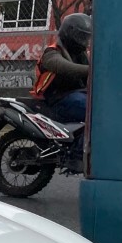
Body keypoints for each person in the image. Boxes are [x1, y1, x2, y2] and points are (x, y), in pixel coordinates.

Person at [31, 13, 91, 171]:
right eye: (80, 36)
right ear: (69, 32)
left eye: (86, 37)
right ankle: (77, 157)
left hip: (75, 96)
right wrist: (91, 70)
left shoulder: (81, 55)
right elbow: (61, 66)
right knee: (94, 114)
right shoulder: (52, 52)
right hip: (57, 100)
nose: (83, 40)